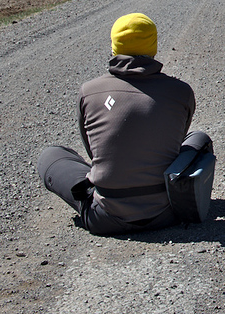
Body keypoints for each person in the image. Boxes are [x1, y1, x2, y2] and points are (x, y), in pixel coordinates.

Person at [37, 12, 210, 235]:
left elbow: (93, 149)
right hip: (168, 213)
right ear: (153, 46)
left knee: (50, 155)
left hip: (105, 217)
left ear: (115, 46)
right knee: (199, 138)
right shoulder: (181, 91)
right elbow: (176, 142)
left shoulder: (89, 91)